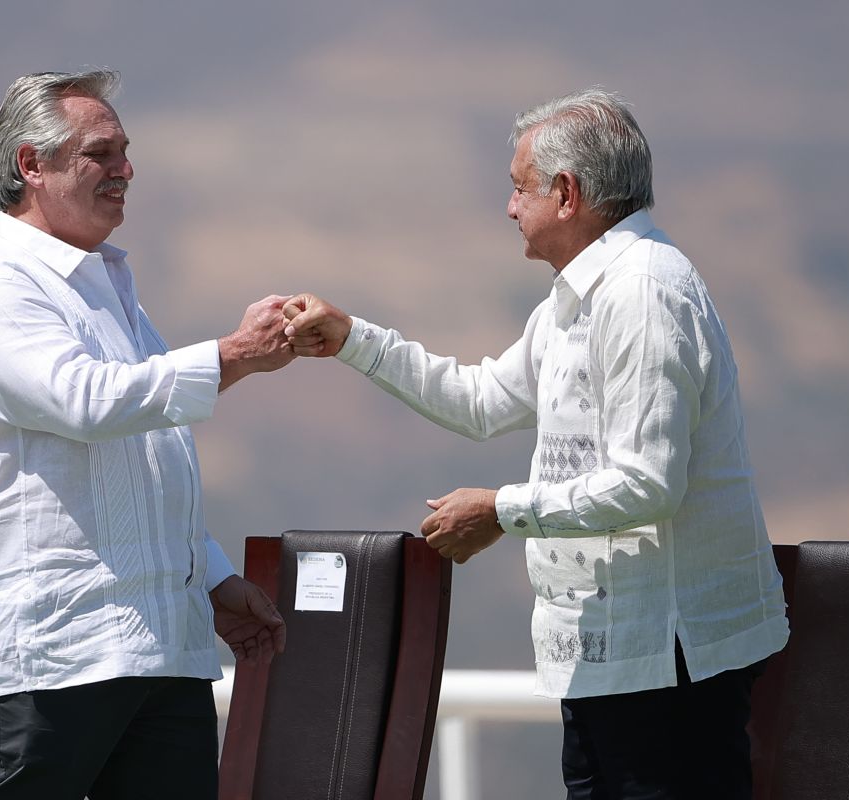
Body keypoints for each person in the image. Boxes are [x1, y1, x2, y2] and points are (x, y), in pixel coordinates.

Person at [283, 88, 788, 799]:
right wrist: (354, 341)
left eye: (519, 189)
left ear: (567, 193)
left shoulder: (641, 293)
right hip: (615, 649)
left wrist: (500, 510)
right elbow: (482, 400)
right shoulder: (578, 295)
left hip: (668, 658)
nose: (509, 208)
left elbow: (648, 483)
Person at [0, 69, 291, 800]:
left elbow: (145, 454)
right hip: (52, 660)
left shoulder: (107, 291)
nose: (126, 169)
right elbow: (90, 403)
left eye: (126, 151)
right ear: (32, 165)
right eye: (101, 152)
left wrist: (213, 578)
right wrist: (233, 355)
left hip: (160, 653)